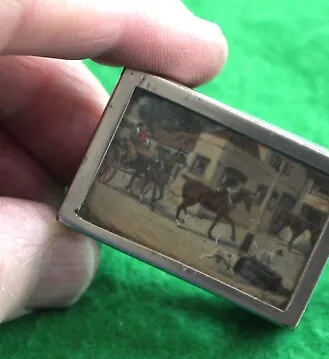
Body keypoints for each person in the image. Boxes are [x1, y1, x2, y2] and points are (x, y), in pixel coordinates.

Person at [0, 0, 228, 324]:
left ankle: (147, 188)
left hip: (146, 154)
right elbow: (139, 145)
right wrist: (141, 147)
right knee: (140, 161)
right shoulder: (142, 137)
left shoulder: (157, 145)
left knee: (154, 167)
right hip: (135, 153)